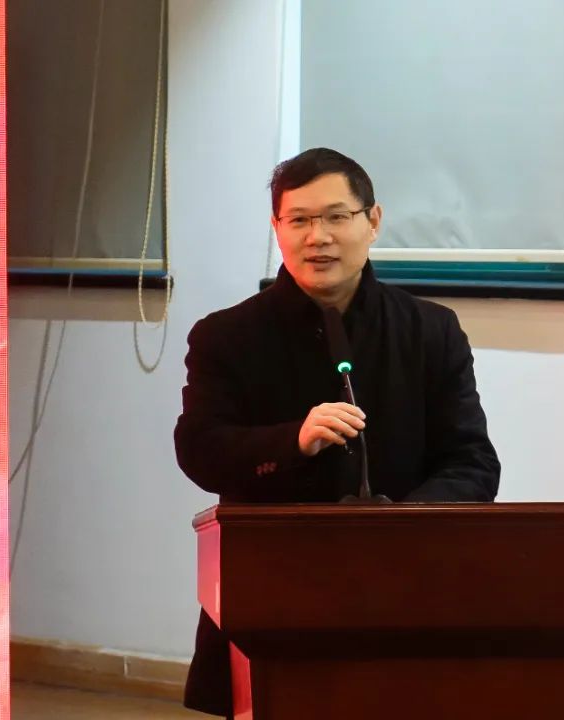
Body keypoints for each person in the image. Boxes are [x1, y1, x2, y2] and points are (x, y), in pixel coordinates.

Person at [174, 147, 500, 717]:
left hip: (407, 585)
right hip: (272, 593)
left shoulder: (430, 330)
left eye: (335, 217)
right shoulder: (226, 336)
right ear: (277, 227)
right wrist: (292, 441)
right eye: (298, 220)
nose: (317, 237)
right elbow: (200, 451)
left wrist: (401, 523)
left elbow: (472, 463)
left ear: (373, 221)